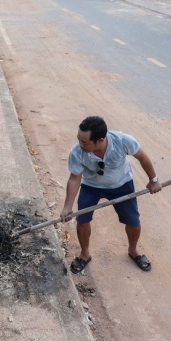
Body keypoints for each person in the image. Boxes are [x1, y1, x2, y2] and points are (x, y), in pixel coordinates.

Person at [60, 116, 162, 272]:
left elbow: (142, 157)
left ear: (100, 140)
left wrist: (153, 180)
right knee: (82, 219)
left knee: (133, 220)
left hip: (122, 184)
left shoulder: (122, 141)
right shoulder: (77, 152)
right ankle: (84, 253)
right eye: (79, 140)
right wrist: (67, 207)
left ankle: (133, 250)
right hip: (91, 186)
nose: (80, 145)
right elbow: (74, 179)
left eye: (85, 142)